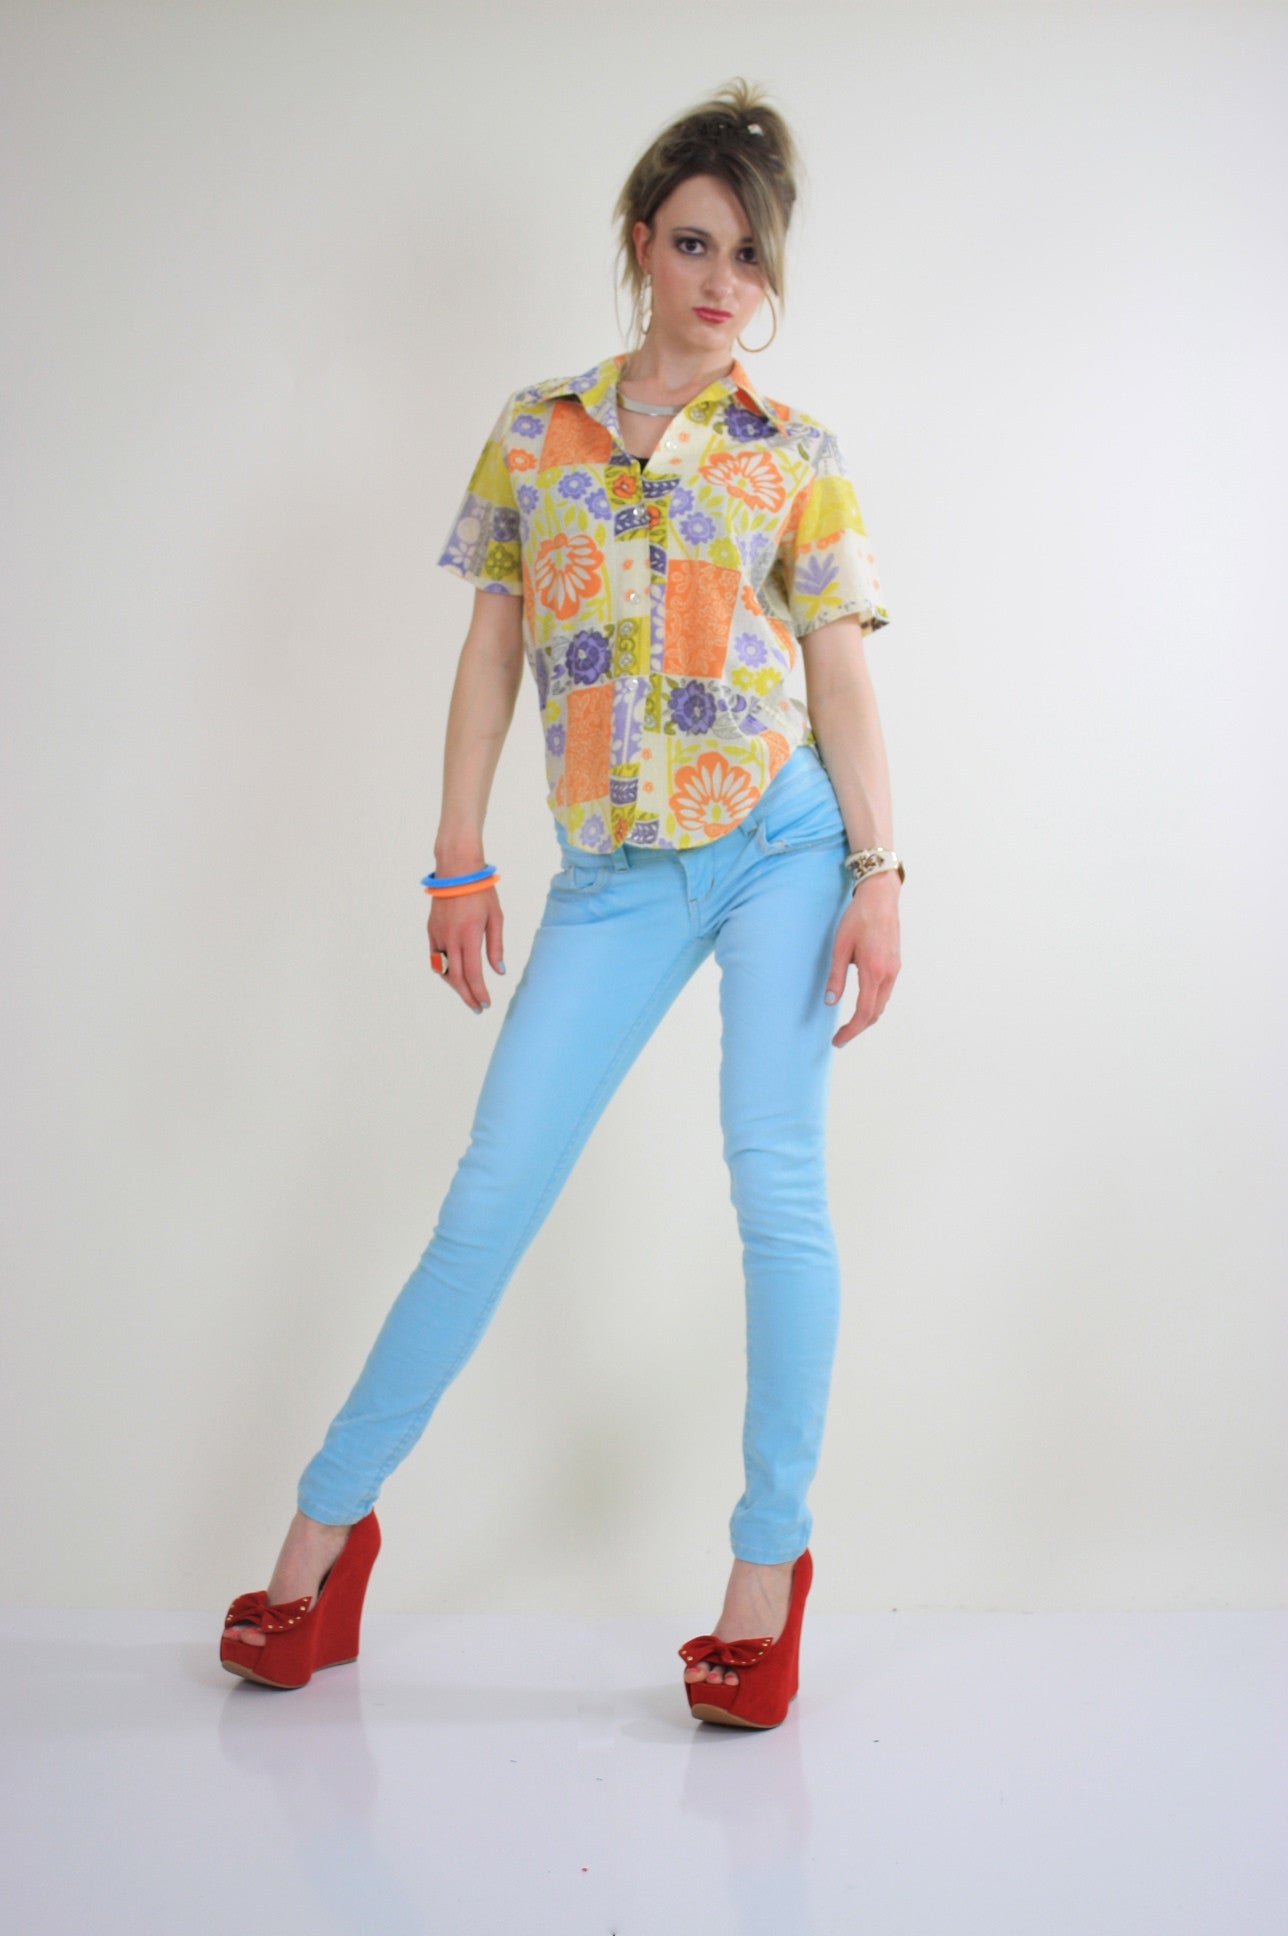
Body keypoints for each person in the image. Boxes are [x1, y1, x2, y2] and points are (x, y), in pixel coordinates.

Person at [221, 78, 902, 1728]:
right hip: (608, 877)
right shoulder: (536, 432)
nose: (724, 280)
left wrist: (878, 872)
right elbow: (491, 654)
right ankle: (324, 1543)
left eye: (751, 255)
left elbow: (839, 675)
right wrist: (457, 854)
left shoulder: (794, 456)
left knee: (774, 1184)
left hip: (780, 842)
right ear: (642, 242)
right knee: (489, 1199)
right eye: (697, 243)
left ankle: (765, 1579)